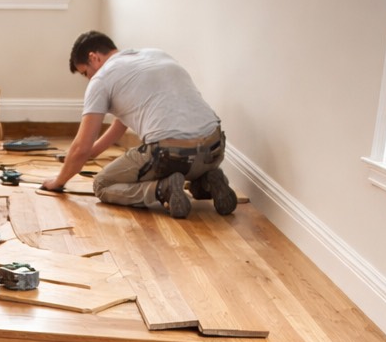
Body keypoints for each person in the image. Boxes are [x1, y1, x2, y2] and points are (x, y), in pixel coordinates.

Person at [40, 31, 238, 220]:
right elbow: (121, 122)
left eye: (85, 73)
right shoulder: (156, 54)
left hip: (171, 155)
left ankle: (162, 189)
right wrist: (94, 152)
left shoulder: (101, 79)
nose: (89, 79)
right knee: (188, 164)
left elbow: (80, 147)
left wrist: (58, 182)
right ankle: (207, 181)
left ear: (94, 58)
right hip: (215, 148)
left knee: (102, 184)